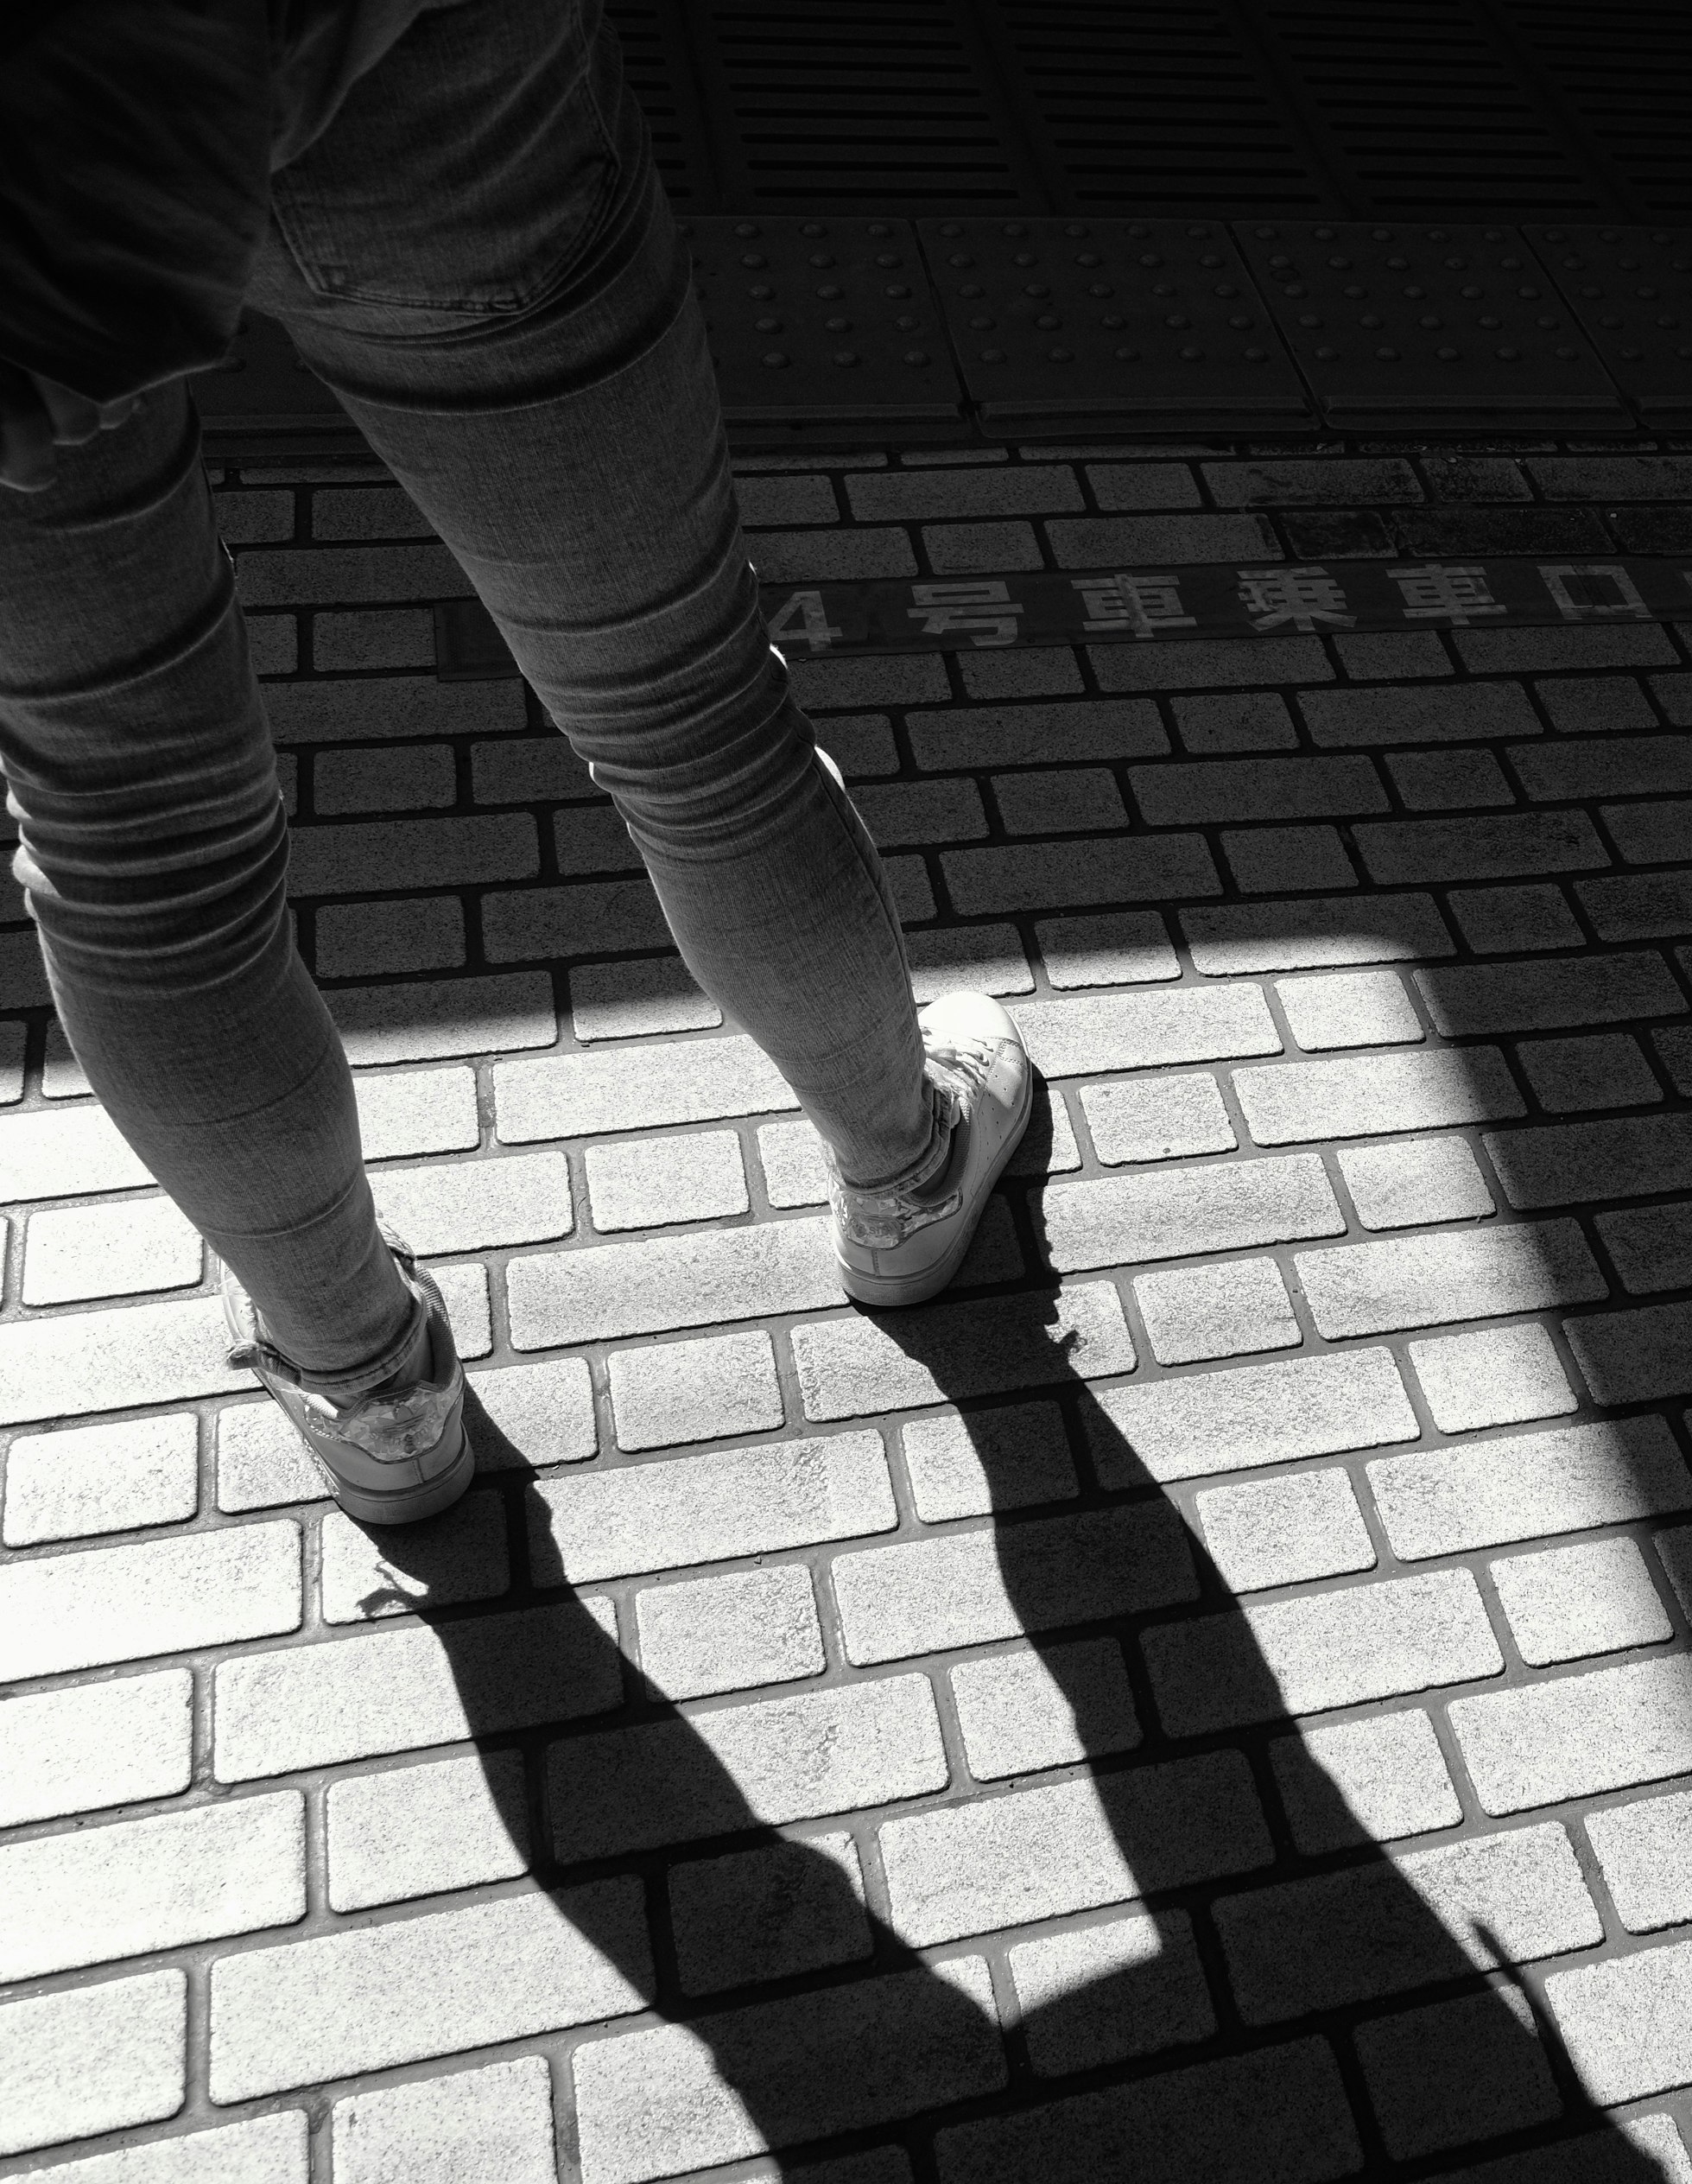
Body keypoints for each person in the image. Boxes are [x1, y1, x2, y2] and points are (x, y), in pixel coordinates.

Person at [0, 0, 1035, 1524]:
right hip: (398, 76)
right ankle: (907, 1174)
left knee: (135, 854)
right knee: (687, 715)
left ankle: (372, 1394)